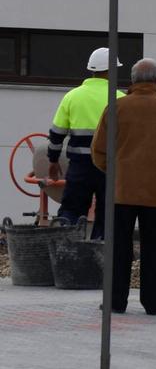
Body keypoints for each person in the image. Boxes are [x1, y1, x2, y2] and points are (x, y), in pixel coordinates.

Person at [92, 59, 156, 314]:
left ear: (133, 80)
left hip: (121, 192)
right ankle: (153, 303)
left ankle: (116, 301)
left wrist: (115, 172)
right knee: (154, 250)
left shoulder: (116, 108)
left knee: (118, 249)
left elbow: (98, 150)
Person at [46, 47, 125, 238]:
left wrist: (53, 160)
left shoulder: (73, 96)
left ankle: (66, 253)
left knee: (71, 211)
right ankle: (101, 258)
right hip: (109, 167)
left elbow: (57, 134)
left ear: (92, 70)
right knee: (108, 216)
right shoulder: (121, 99)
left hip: (80, 167)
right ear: (111, 71)